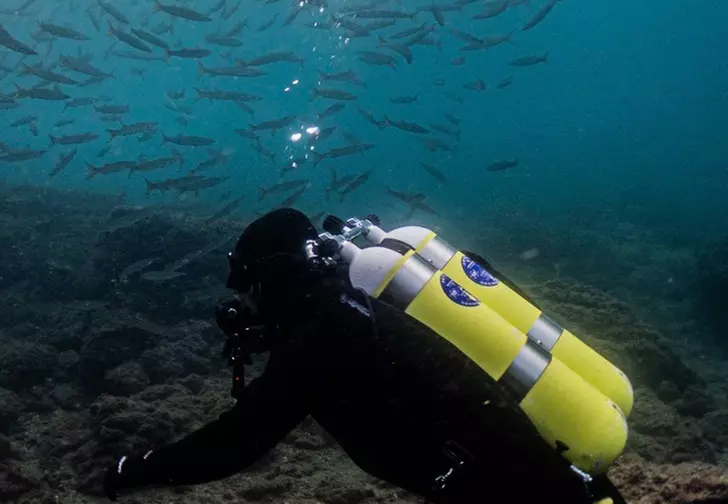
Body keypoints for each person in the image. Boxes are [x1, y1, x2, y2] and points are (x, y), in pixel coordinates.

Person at [102, 208, 631, 504]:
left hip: (509, 495)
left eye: (253, 286)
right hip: (552, 458)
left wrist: (142, 469)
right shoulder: (368, 299)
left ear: (278, 275)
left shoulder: (319, 338)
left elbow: (238, 441)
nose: (249, 304)